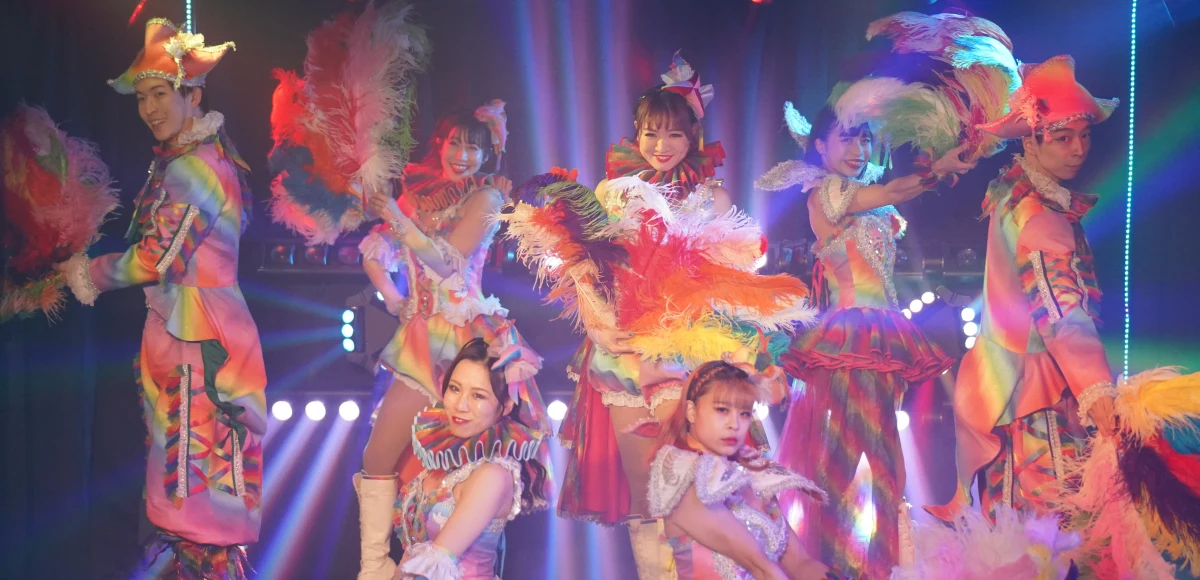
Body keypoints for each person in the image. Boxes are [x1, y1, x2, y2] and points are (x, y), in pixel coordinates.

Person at [58, 18, 265, 578]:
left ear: (192, 95)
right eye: (142, 97)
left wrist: (85, 273)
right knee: (185, 484)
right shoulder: (191, 157)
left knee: (194, 484)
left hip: (200, 337)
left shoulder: (195, 167)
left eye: (161, 94)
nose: (150, 108)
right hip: (183, 327)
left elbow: (157, 257)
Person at [757, 102, 973, 578]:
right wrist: (937, 168)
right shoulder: (827, 192)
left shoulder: (867, 199)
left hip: (883, 339)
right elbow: (895, 189)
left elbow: (890, 195)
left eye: (866, 139)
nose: (858, 149)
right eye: (846, 138)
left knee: (882, 459)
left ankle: (880, 561)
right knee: (857, 460)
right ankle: (851, 565)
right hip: (852, 339)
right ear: (819, 146)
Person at [356, 104, 551, 580]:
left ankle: (447, 564)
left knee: (472, 469)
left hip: (462, 335)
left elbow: (449, 261)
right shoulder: (420, 197)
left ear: (488, 154)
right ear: (439, 145)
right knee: (390, 460)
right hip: (418, 333)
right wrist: (393, 295)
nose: (463, 155)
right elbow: (377, 250)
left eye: (475, 147)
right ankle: (378, 565)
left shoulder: (486, 196)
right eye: (456, 143)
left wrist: (397, 219)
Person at [927, 55, 1121, 524]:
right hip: (1034, 393)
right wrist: (1098, 391)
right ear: (1031, 141)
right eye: (1063, 137)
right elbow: (1060, 310)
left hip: (1004, 384)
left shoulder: (1013, 192)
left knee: (1016, 529)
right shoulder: (1037, 215)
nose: (1079, 148)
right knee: (1052, 533)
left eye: (1084, 135)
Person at [648, 360, 842, 580]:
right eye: (722, 410)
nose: (735, 424)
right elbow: (761, 567)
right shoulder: (684, 476)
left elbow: (801, 563)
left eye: (744, 413)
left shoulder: (754, 477)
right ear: (691, 411)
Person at [394, 338, 549, 579]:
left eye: (478, 396)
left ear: (506, 405)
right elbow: (411, 559)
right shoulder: (446, 461)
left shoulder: (493, 474)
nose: (461, 405)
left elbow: (433, 565)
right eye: (455, 389)